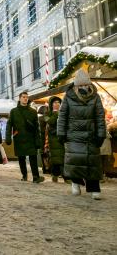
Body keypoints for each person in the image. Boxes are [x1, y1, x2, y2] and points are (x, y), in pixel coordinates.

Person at [57, 69, 106, 199]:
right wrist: (61, 133)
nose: (84, 87)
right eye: (81, 85)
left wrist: (101, 134)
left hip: (91, 135)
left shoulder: (95, 97)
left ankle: (94, 188)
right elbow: (62, 116)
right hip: (73, 135)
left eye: (86, 84)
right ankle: (75, 183)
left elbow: (100, 117)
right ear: (76, 85)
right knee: (75, 160)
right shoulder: (68, 97)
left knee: (92, 162)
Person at [6, 91, 45, 183]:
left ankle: (35, 177)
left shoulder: (33, 111)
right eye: (23, 97)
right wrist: (8, 137)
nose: (25, 98)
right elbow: (9, 125)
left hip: (30, 138)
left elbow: (37, 128)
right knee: (21, 158)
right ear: (19, 99)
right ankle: (24, 175)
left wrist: (38, 140)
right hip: (19, 137)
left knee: (33, 157)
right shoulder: (13, 111)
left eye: (27, 97)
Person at [44, 96, 67, 183]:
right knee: (56, 158)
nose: (57, 104)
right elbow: (50, 122)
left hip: (63, 137)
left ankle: (61, 175)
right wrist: (56, 113)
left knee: (63, 157)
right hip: (53, 138)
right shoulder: (47, 114)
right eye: (55, 102)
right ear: (51, 104)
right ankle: (58, 175)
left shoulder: (64, 112)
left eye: (58, 102)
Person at [37, 105, 50, 174]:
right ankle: (47, 167)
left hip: (40, 137)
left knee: (43, 153)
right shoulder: (44, 118)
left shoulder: (38, 118)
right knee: (46, 153)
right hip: (45, 137)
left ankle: (44, 168)